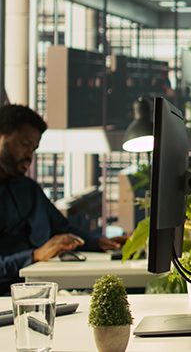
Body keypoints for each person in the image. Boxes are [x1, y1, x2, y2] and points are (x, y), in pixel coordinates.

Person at [0, 105, 128, 294]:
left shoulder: (28, 189)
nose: (30, 156)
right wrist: (34, 255)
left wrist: (100, 242)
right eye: (25, 144)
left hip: (38, 291)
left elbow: (63, 228)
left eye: (34, 149)